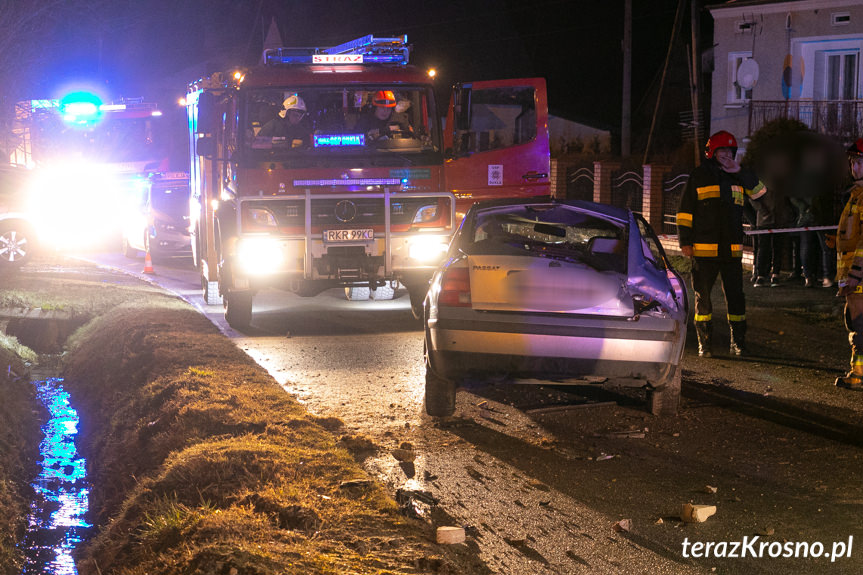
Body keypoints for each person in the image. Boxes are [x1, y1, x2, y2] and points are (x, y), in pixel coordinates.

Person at [677, 130, 766, 357]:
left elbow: (761, 194)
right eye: (722, 151)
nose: (726, 155)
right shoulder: (698, 176)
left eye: (730, 151)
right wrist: (685, 242)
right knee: (702, 297)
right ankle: (704, 343)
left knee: (736, 298)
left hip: (731, 252)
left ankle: (738, 343)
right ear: (712, 153)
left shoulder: (738, 176)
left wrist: (742, 172)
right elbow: (685, 212)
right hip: (703, 251)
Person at [833, 138, 863, 389]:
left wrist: (855, 273)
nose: (855, 167)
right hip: (853, 276)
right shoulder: (856, 195)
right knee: (854, 321)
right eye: (853, 161)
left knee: (860, 324)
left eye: (860, 162)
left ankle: (859, 375)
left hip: (860, 278)